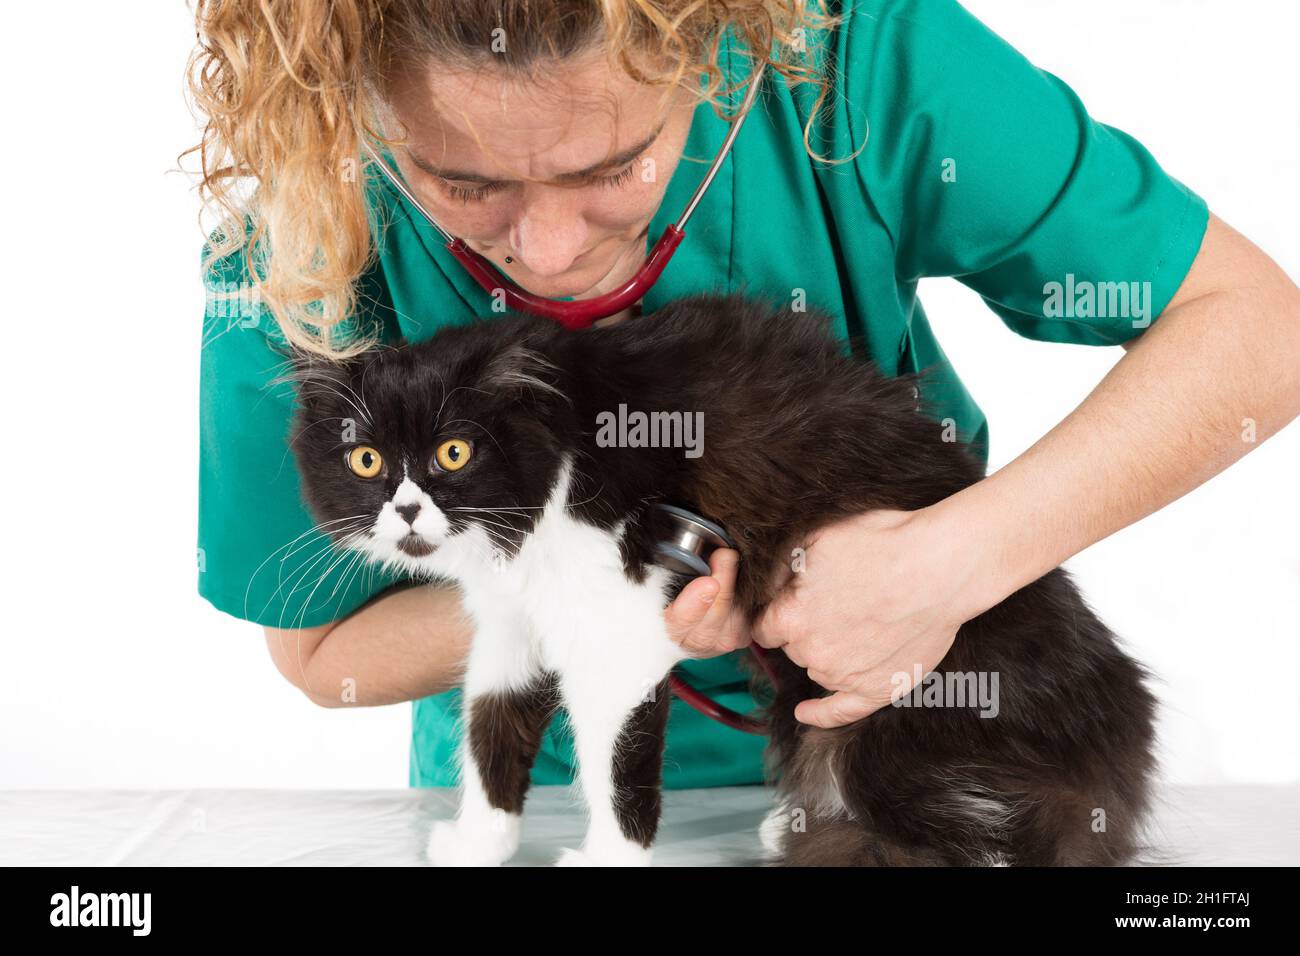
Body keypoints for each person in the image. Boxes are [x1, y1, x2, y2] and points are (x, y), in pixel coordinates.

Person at [190, 0, 1300, 788]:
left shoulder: (863, 64)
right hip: (554, 800)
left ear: (709, 46)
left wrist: (942, 561)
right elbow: (320, 654)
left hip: (921, 749)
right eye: (462, 183)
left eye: (610, 167)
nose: (548, 248)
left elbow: (1259, 329)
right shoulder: (301, 220)